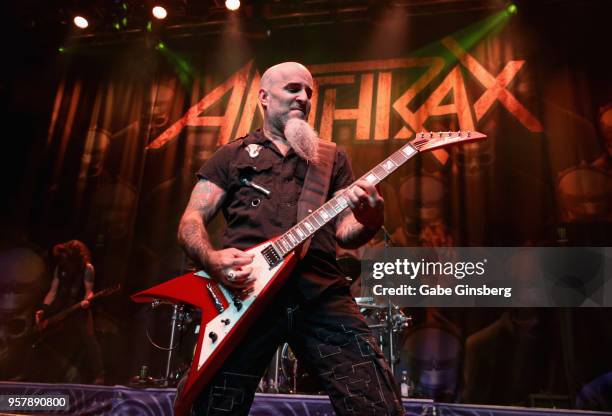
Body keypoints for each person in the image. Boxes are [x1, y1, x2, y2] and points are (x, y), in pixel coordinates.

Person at [177, 62, 404, 415]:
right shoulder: (232, 155)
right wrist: (211, 258)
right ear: (264, 97)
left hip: (320, 293)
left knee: (376, 404)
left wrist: (370, 217)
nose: (304, 97)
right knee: (214, 408)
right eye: (294, 89)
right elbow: (191, 219)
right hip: (245, 298)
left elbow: (346, 232)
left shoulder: (330, 158)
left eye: (309, 92)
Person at [34, 240, 105, 384]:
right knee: (45, 339)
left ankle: (99, 375)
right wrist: (43, 308)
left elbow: (89, 291)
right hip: (60, 307)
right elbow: (53, 291)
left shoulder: (87, 268)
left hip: (78, 308)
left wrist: (86, 301)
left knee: (89, 339)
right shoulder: (60, 267)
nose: (65, 259)